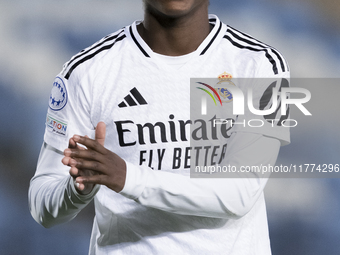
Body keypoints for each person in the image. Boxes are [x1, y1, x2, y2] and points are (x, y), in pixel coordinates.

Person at [29, 0, 290, 254]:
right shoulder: (86, 73)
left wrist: (127, 177)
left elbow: (239, 194)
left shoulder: (260, 65)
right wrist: (76, 191)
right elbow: (42, 206)